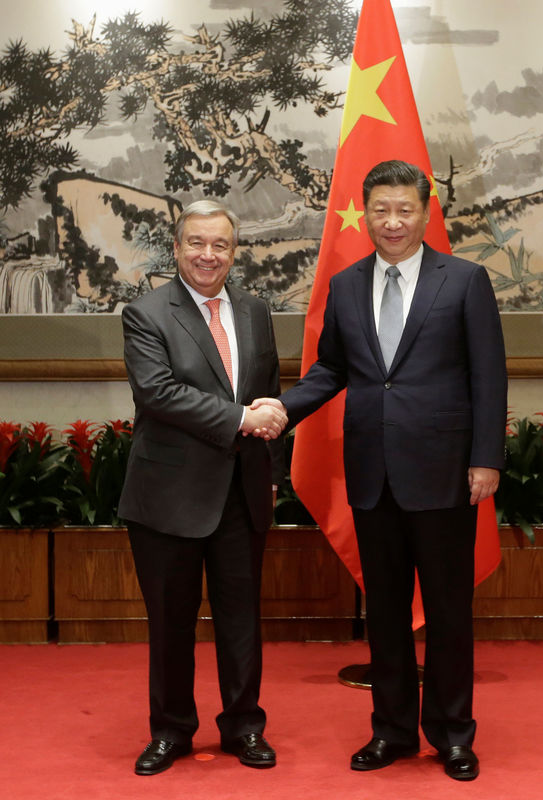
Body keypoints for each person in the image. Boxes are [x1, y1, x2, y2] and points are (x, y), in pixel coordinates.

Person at [252, 160, 507, 781]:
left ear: (426, 212)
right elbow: (331, 371)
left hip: (446, 472)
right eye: (381, 210)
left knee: (448, 611)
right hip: (370, 473)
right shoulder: (344, 285)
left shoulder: (465, 281)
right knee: (386, 612)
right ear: (364, 213)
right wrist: (284, 406)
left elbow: (489, 376)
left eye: (405, 209)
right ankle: (391, 731)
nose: (392, 222)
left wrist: (485, 459)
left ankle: (451, 734)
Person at [118, 199, 287, 776]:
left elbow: (271, 397)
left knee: (242, 620)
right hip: (168, 499)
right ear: (177, 246)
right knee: (171, 622)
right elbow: (158, 394)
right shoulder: (145, 313)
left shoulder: (257, 312)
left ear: (234, 252)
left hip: (242, 492)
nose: (207, 255)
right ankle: (170, 731)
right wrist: (241, 420)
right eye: (196, 243)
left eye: (220, 245)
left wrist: (271, 476)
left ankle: (244, 727)